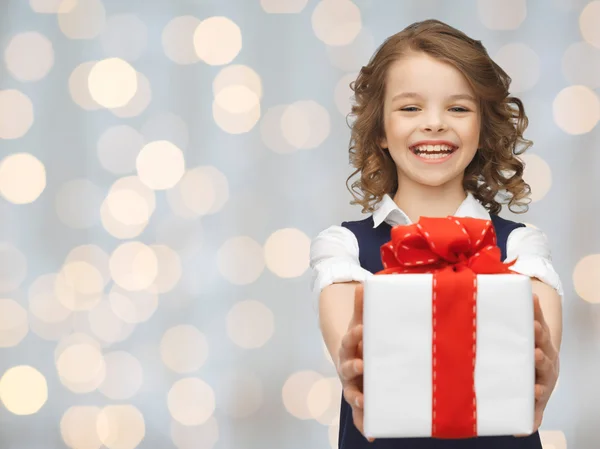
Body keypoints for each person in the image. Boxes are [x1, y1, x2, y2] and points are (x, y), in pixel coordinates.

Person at [309, 19, 563, 449]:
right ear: (380, 132)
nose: (434, 123)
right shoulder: (342, 247)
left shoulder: (522, 245)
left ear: (482, 128)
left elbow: (532, 362)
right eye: (410, 108)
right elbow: (359, 359)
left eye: (458, 109)